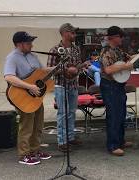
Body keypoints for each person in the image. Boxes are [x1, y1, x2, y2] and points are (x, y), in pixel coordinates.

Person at [4, 31, 52, 165]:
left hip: (36, 97)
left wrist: (58, 68)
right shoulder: (12, 57)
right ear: (19, 44)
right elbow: (9, 77)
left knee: (38, 125)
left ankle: (35, 150)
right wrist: (29, 86)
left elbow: (42, 72)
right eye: (28, 42)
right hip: (23, 97)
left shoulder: (33, 56)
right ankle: (24, 155)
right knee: (27, 126)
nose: (32, 44)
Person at [99, 26, 139, 156]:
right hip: (109, 86)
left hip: (118, 86)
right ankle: (113, 145)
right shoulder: (106, 51)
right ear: (114, 37)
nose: (122, 39)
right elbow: (108, 70)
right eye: (120, 36)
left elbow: (131, 58)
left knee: (121, 114)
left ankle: (120, 141)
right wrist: (125, 66)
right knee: (114, 116)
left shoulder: (118, 50)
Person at [47, 23, 83, 152]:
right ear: (65, 33)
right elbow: (49, 70)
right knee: (62, 113)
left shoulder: (76, 49)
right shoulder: (55, 49)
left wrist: (79, 67)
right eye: (72, 32)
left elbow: (78, 64)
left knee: (72, 113)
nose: (74, 35)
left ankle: (70, 137)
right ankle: (62, 141)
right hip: (61, 85)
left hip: (73, 85)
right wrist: (66, 70)